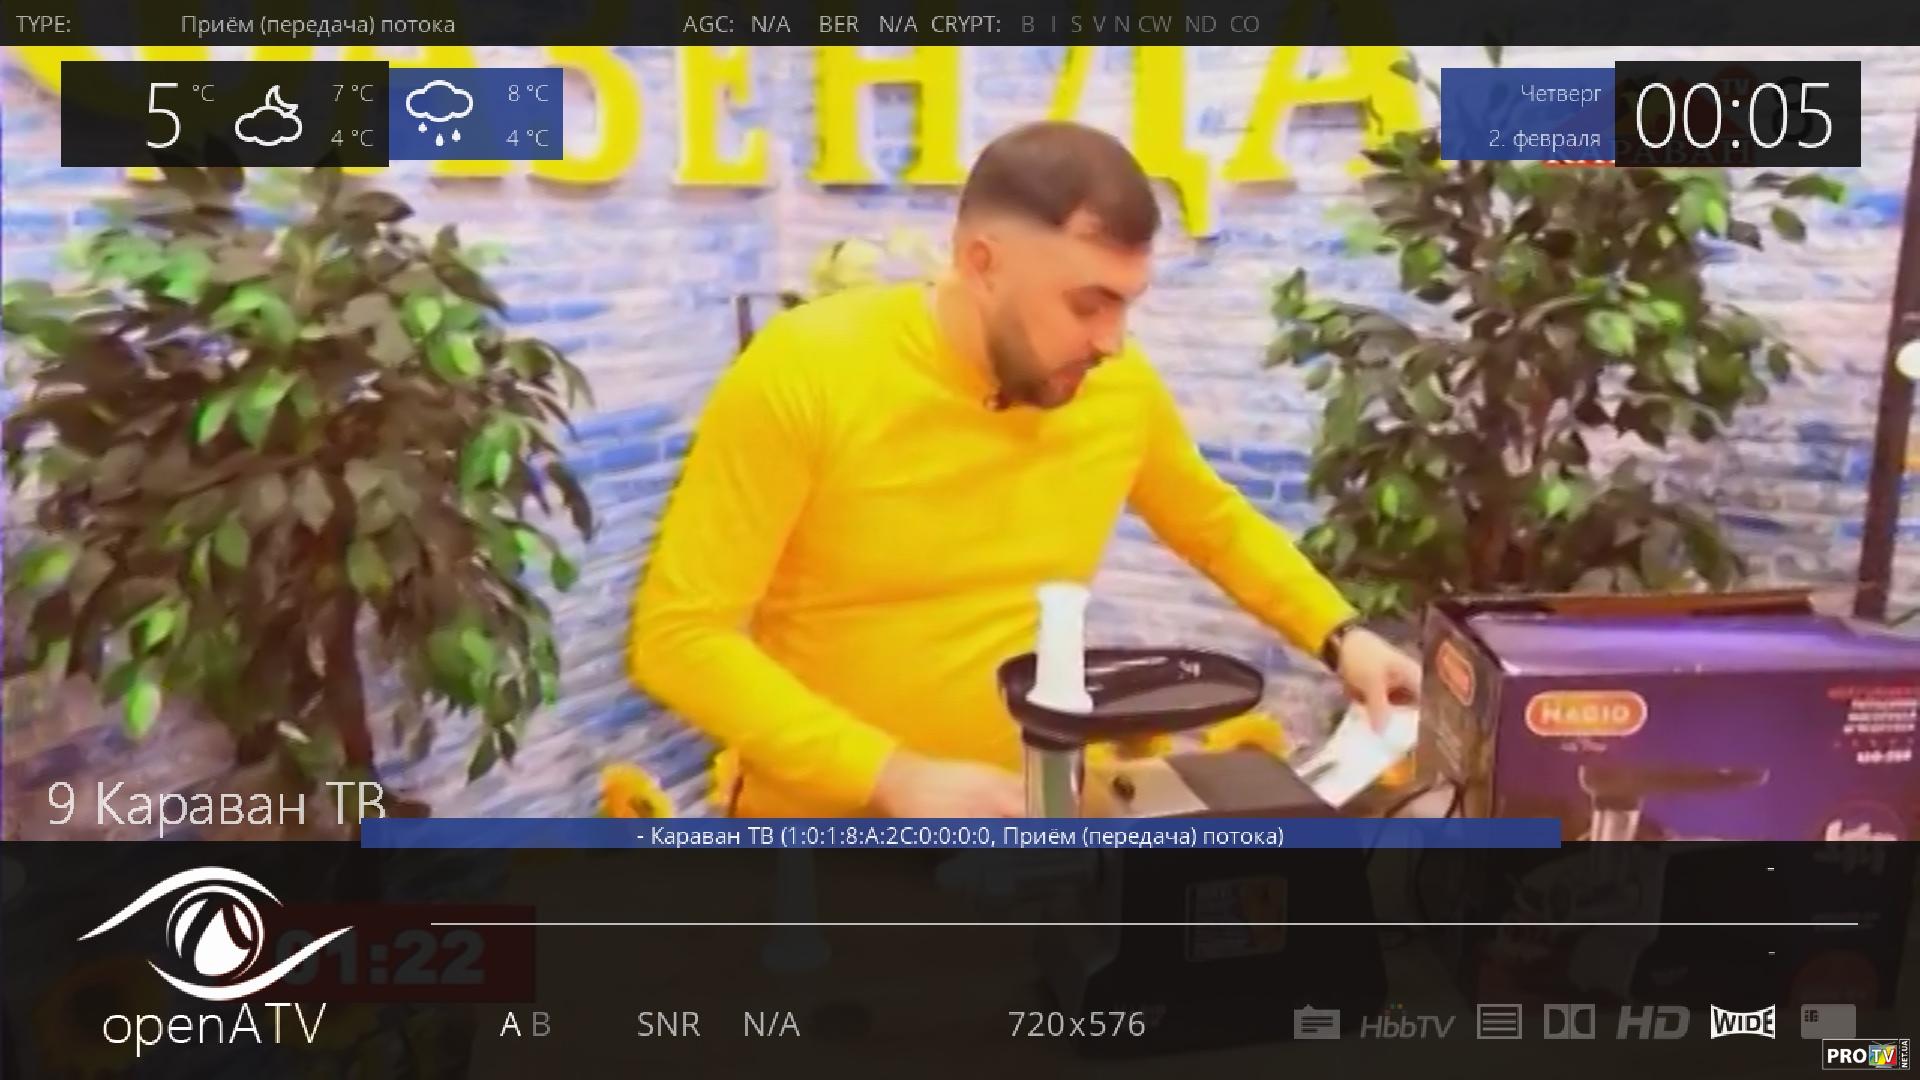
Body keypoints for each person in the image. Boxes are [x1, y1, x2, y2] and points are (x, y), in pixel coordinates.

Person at [629, 120, 1421, 818]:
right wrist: (889, 775)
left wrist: (1341, 636)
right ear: (982, 263)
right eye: (1088, 304)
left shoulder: (1117, 387)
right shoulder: (806, 369)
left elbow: (1213, 524)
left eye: (1128, 304)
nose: (1112, 340)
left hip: (1027, 814)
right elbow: (678, 637)